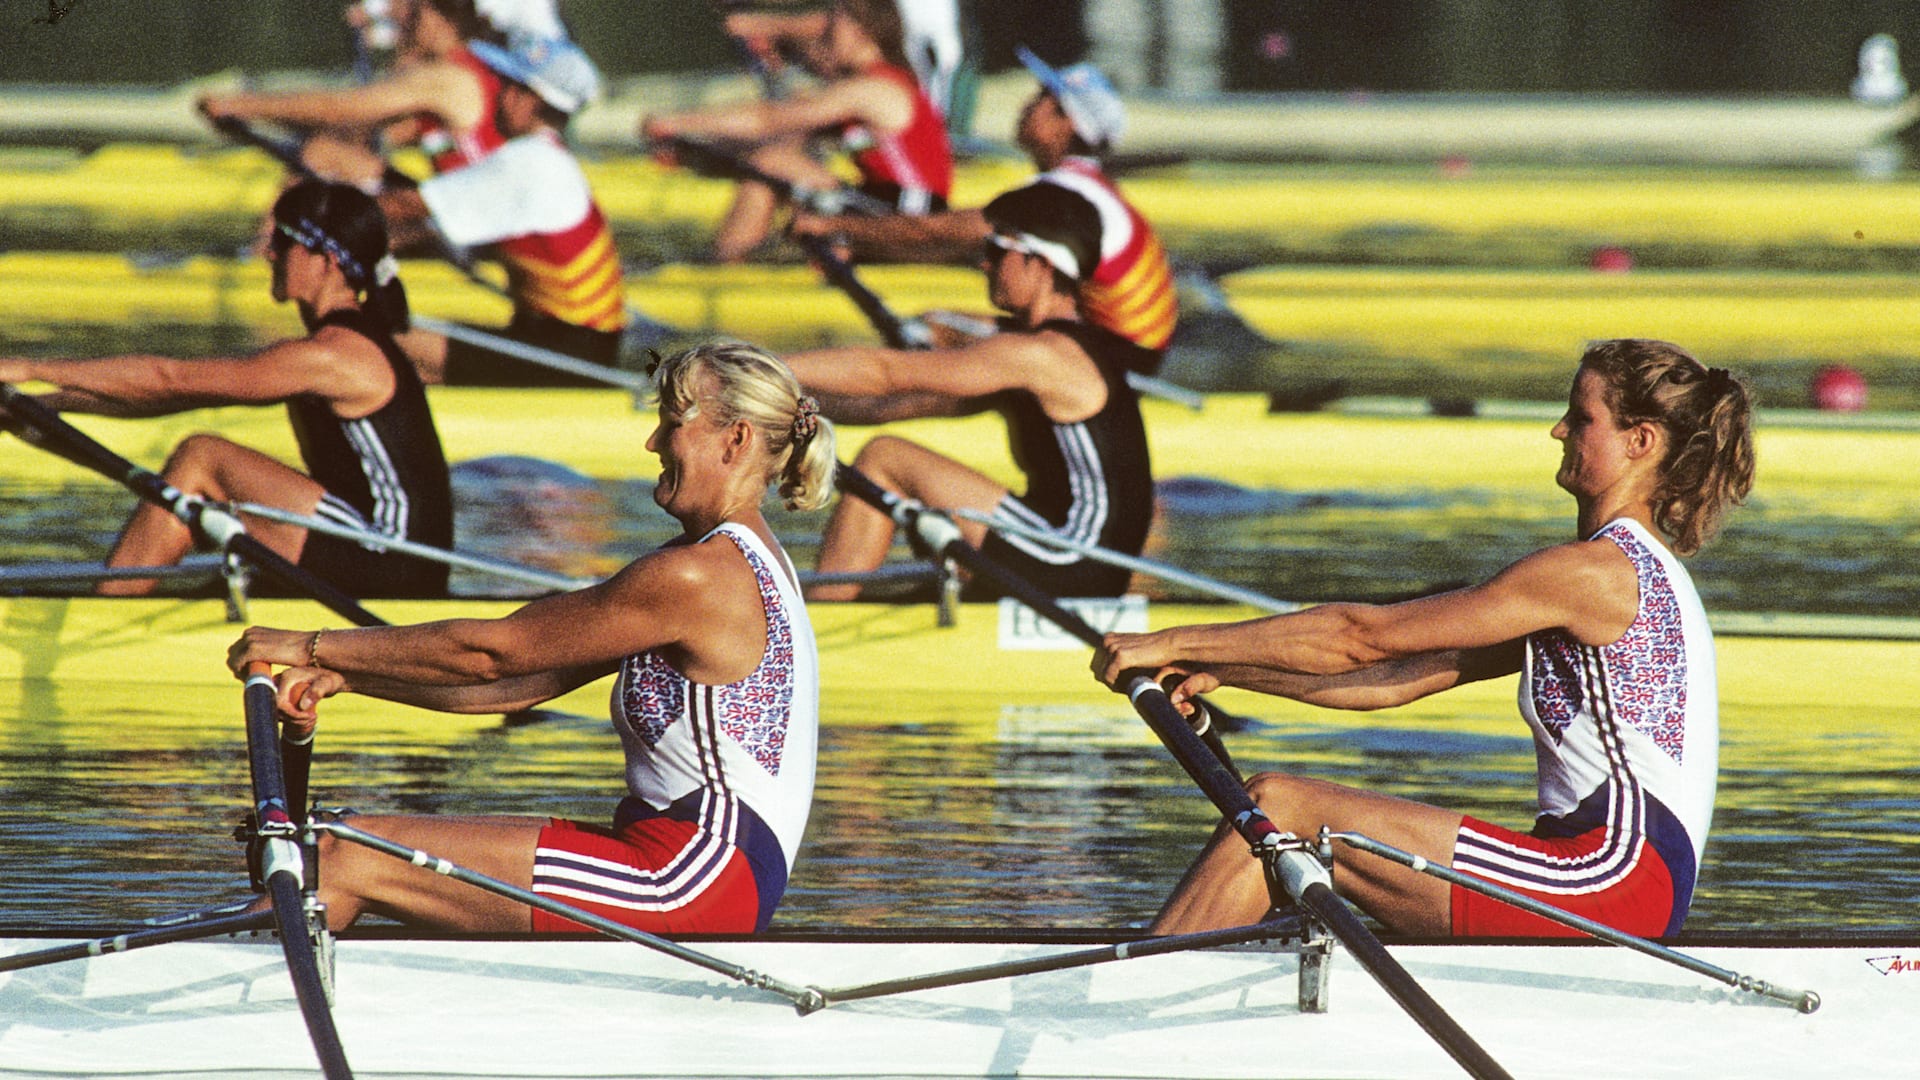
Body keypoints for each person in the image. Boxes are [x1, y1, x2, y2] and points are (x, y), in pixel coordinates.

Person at [1094, 339, 1756, 940]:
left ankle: (1125, 1010)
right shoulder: (1618, 576)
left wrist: (1172, 638)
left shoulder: (1593, 574)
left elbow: (1364, 638)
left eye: (1580, 419)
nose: (1557, 430)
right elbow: (1390, 679)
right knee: (1278, 829)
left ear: (1639, 441)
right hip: (1614, 882)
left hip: (1610, 882)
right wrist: (1225, 669)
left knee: (1280, 808)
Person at [226, 342, 835, 934]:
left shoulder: (698, 575)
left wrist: (311, 645)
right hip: (692, 864)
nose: (653, 442)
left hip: (692, 876)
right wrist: (351, 678)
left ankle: (228, 980)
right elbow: (517, 686)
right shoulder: (729, 562)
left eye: (672, 422)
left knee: (339, 855)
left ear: (737, 440)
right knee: (338, 839)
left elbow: (492, 653)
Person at [0, 181, 453, 599]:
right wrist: (41, 406)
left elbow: (168, 378)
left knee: (202, 457)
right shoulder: (335, 346)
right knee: (215, 540)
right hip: (380, 555)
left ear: (326, 262)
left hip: (392, 562)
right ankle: (140, 600)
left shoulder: (335, 355)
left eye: (283, 241)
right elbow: (172, 396)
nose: (269, 254)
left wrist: (29, 366)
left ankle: (108, 605)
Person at [786, 183, 1151, 601]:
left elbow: (887, 372)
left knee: (885, 458)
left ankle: (823, 615)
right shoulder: (1034, 352)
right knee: (894, 464)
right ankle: (844, 603)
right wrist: (793, 405)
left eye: (997, 251)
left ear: (1042, 263)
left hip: (1072, 560)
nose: (983, 264)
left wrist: (759, 366)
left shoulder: (1041, 354)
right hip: (1074, 558)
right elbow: (889, 404)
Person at [792, 47, 1177, 365]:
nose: (1028, 104)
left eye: (1043, 97)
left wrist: (832, 227)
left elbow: (935, 230)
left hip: (1117, 362)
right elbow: (952, 239)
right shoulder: (1087, 186)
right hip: (1121, 346)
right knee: (941, 325)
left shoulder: (1065, 192)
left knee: (933, 329)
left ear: (1067, 122)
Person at [368, 33, 628, 385]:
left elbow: (403, 207)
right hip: (564, 344)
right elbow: (426, 223)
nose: (496, 93)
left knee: (367, 334)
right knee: (396, 349)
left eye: (505, 84)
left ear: (526, 98)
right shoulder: (544, 157)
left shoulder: (531, 163)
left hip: (569, 358)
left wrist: (324, 221)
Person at [644, 0, 954, 263]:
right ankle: (737, 260)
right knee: (777, 160)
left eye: (829, 28)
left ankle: (722, 270)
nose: (822, 39)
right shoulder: (870, 85)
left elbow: (769, 120)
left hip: (910, 223)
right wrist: (691, 153)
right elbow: (778, 136)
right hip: (889, 209)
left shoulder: (873, 89)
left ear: (860, 31)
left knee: (775, 162)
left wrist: (676, 123)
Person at [200, 0, 512, 181]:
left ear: (435, 17)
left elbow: (337, 108)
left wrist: (239, 106)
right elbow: (366, 129)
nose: (404, 20)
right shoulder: (468, 66)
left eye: (413, 11)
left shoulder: (444, 77)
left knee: (322, 154)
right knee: (328, 150)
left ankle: (266, 256)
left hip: (473, 222)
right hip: (463, 207)